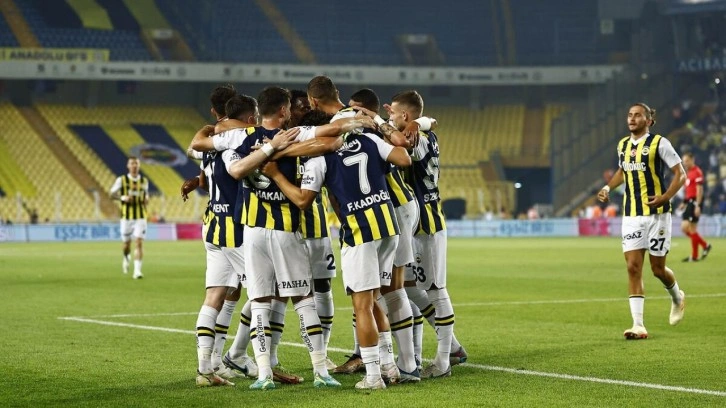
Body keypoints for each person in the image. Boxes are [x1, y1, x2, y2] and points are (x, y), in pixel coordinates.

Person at [189, 86, 366, 390]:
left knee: (259, 301)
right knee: (304, 299)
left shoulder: (239, 137)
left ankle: (262, 374)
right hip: (285, 230)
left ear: (260, 112)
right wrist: (360, 120)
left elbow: (213, 153)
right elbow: (333, 136)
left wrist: (264, 150)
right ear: (284, 111)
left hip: (252, 232)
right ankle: (320, 370)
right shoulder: (296, 134)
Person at [261, 115, 412, 390]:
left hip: (360, 230)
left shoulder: (318, 159)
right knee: (373, 299)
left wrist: (276, 175)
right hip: (388, 226)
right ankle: (389, 365)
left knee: (362, 305)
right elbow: (404, 159)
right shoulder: (369, 139)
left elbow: (303, 200)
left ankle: (374, 376)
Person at [385, 90, 461, 378]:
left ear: (405, 116)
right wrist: (420, 121)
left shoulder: (417, 138)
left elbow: (406, 141)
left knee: (436, 291)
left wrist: (415, 123)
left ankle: (443, 361)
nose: (390, 118)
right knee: (405, 286)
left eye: (394, 114)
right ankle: (451, 347)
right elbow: (429, 121)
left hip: (427, 224)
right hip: (415, 223)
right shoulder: (425, 131)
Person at [597, 102, 686, 340]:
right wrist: (607, 187)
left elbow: (681, 174)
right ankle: (638, 325)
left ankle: (677, 297)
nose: (632, 118)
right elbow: (622, 171)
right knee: (633, 267)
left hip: (658, 215)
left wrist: (665, 197)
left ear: (648, 121)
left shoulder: (660, 143)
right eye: (630, 115)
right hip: (632, 216)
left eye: (637, 115)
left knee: (657, 269)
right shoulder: (623, 145)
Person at [109, 156, 149, 279]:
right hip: (126, 217)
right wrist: (122, 197)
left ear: (139, 165)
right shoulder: (121, 180)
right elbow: (111, 194)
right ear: (128, 166)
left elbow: (145, 195)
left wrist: (146, 199)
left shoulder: (144, 181)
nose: (134, 165)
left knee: (139, 242)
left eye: (136, 163)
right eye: (132, 163)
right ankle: (126, 257)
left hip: (141, 216)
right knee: (126, 244)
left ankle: (137, 271)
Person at [679, 152, 712, 262]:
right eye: (684, 161)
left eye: (687, 161)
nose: (685, 163)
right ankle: (705, 245)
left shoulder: (697, 172)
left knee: (691, 228)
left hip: (695, 203)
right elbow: (689, 190)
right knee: (685, 228)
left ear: (692, 160)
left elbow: (699, 190)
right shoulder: (688, 173)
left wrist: (698, 205)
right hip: (689, 202)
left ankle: (694, 256)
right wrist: (684, 202)